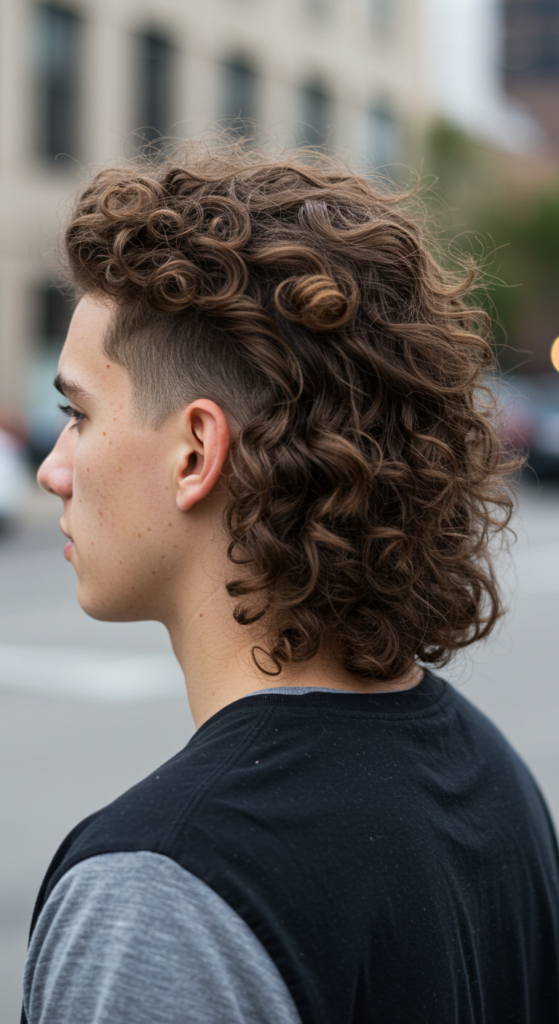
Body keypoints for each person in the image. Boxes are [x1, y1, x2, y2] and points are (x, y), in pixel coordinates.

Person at [23, 146, 559, 1024]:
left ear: (195, 452)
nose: (54, 468)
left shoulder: (158, 891)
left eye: (78, 414)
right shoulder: (489, 774)